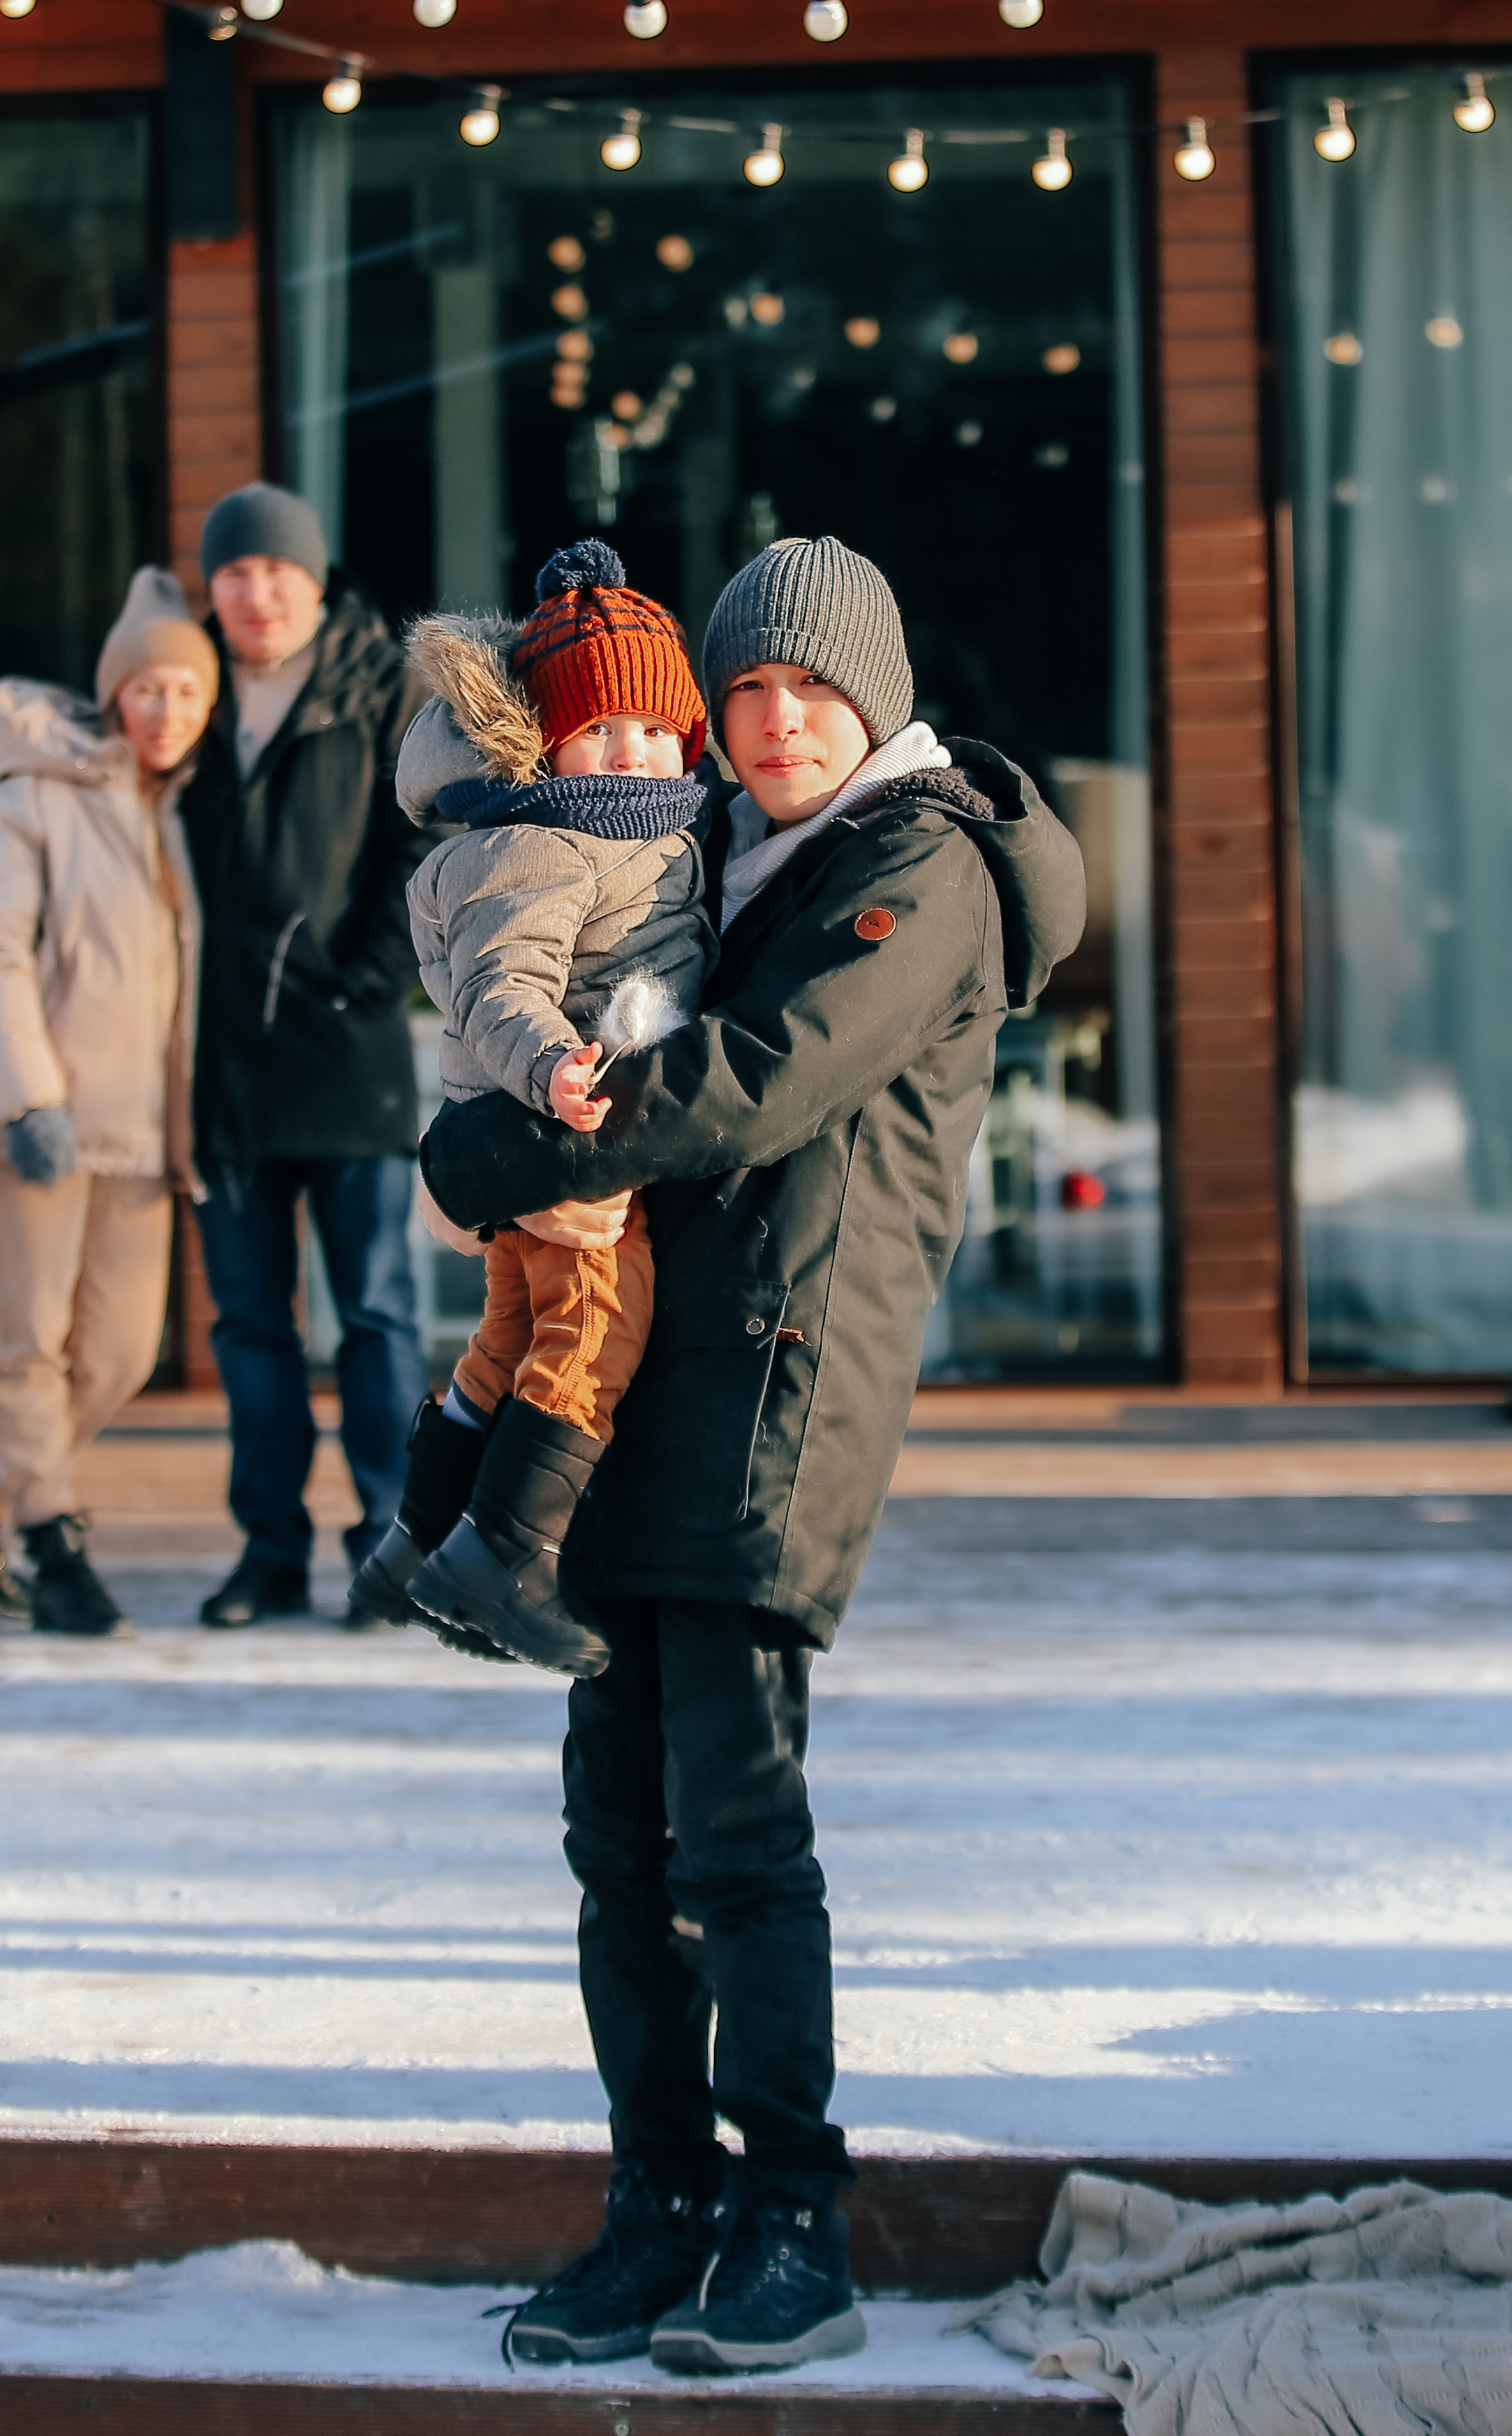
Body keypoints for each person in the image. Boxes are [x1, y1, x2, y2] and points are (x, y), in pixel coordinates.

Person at [417, 537, 1086, 2376]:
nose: (776, 720)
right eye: (747, 693)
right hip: (655, 1378)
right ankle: (660, 2206)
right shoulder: (720, 847)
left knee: (734, 1835)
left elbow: (767, 1074)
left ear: (871, 699)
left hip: (780, 1392)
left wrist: (513, 1150)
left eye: (810, 689)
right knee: (612, 1838)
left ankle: (794, 2221)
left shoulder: (917, 860)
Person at [345, 540, 715, 1671]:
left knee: (510, 1334)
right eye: (604, 730)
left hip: (530, 1140)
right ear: (546, 741)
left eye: (658, 731)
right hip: (567, 1140)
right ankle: (504, 1553)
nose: (635, 753)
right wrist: (553, 1064)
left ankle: (416, 1543)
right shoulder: (550, 843)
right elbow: (504, 983)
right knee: (598, 1325)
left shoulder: (620, 835)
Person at [0, 570, 216, 1637]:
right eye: (149, 688)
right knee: (25, 1341)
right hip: (12, 1118)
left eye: (188, 691)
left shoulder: (167, 813)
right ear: (114, 693)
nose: (166, 710)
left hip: (127, 1135)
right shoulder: (30, 791)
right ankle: (53, 1544)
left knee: (119, 1353)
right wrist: (32, 1102)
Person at [179, 482, 433, 1628]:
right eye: (234, 572)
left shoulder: (379, 688)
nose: (256, 592)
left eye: (277, 570)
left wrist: (361, 983)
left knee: (376, 1313)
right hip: (224, 1068)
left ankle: (392, 1543)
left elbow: (419, 849)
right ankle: (269, 1549)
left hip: (348, 1055)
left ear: (317, 579)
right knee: (248, 1324)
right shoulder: (184, 700)